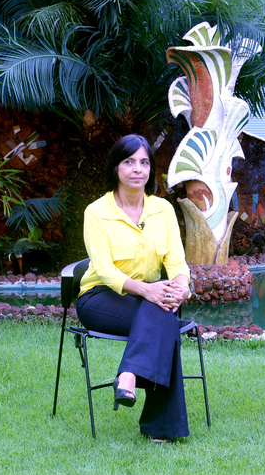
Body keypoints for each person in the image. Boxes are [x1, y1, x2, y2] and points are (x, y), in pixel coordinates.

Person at [74, 134, 192, 443]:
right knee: (163, 314)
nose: (137, 169)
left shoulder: (163, 209)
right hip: (100, 297)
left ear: (151, 169)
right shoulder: (96, 212)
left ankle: (127, 376)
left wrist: (181, 288)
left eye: (144, 162)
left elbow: (176, 262)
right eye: (129, 162)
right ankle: (161, 428)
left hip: (148, 299)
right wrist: (149, 291)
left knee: (163, 309)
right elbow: (104, 270)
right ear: (116, 167)